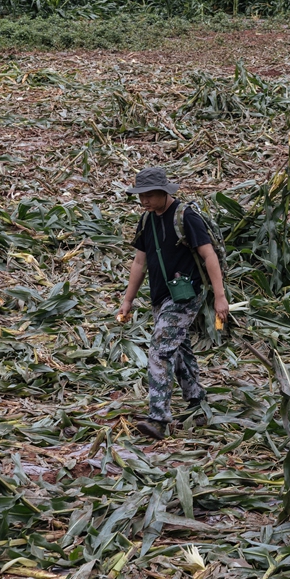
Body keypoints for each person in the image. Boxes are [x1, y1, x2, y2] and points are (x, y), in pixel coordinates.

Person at [117, 167, 230, 440]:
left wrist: (220, 296)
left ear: (164, 192)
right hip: (160, 296)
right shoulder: (146, 221)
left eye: (148, 195)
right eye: (140, 195)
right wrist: (128, 300)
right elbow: (139, 262)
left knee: (159, 351)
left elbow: (209, 256)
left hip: (186, 295)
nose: (143, 200)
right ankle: (197, 403)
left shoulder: (185, 216)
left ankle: (158, 419)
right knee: (179, 350)